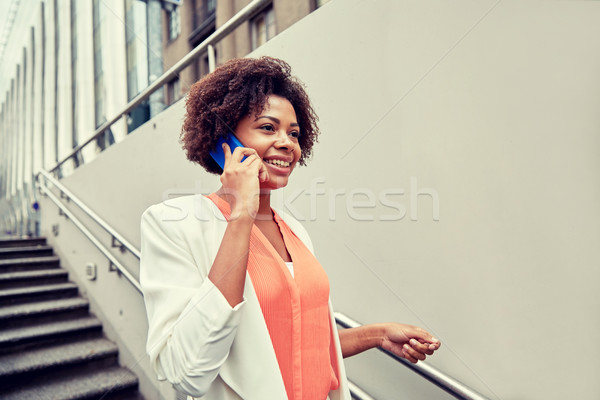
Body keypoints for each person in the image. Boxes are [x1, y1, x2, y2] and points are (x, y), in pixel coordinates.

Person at [140, 56, 440, 400]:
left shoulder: (295, 231)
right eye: (268, 128)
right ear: (223, 140)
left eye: (294, 133)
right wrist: (241, 216)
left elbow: (286, 347)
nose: (287, 143)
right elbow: (187, 372)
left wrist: (376, 335)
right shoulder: (173, 224)